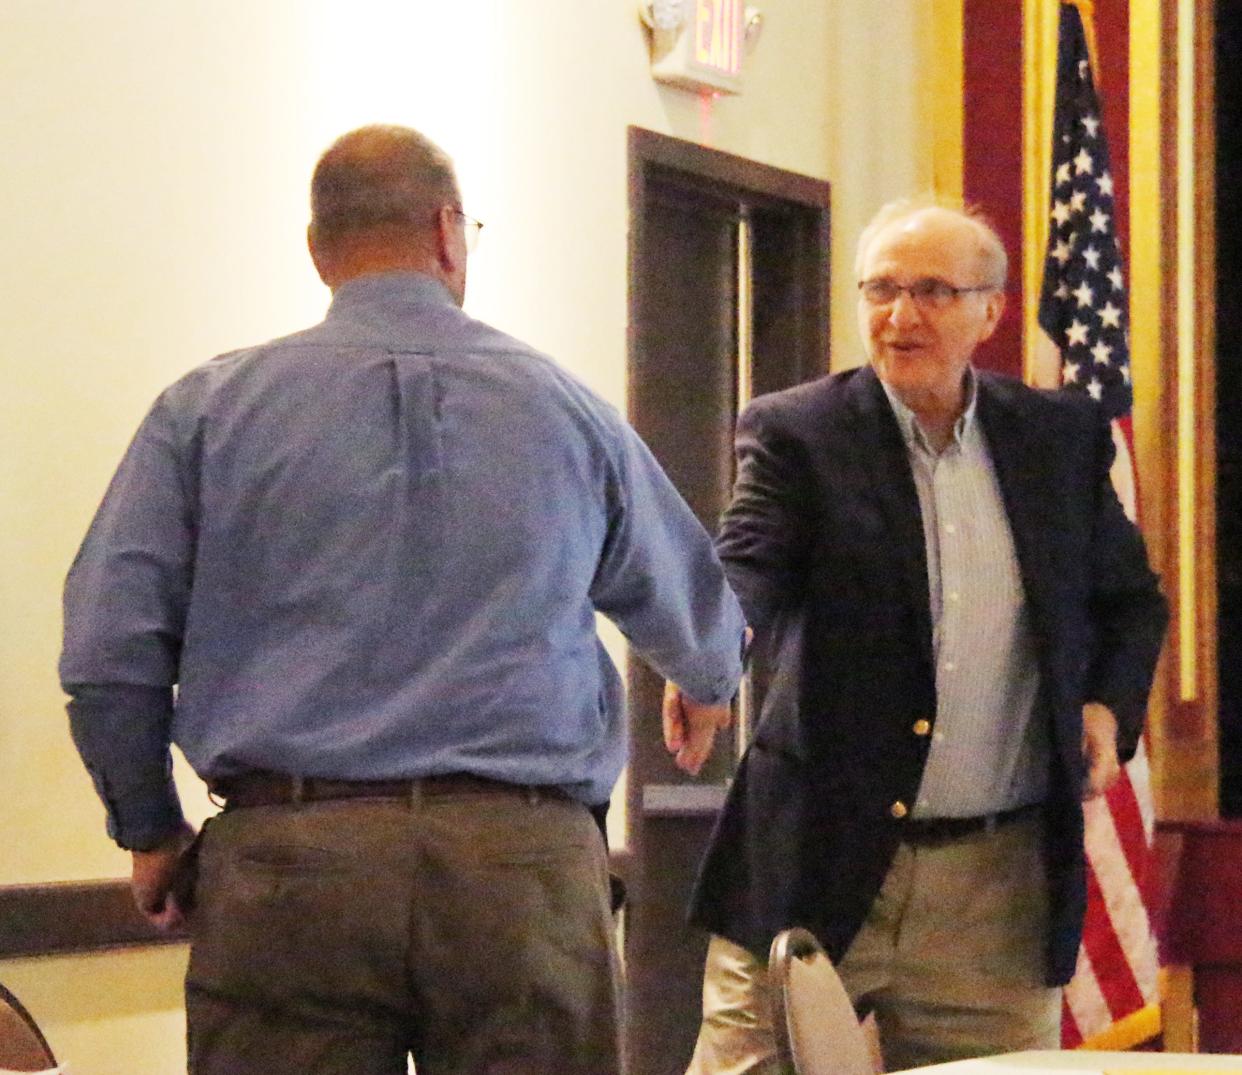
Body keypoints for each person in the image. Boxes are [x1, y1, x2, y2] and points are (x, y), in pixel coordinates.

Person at [60, 124, 746, 1075]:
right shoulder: (565, 408)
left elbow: (109, 657)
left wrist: (148, 828)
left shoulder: (205, 412)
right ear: (449, 232)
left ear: (318, 250)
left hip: (290, 873)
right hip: (523, 873)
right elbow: (694, 605)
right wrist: (704, 680)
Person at [675, 198, 1168, 1072]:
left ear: (991, 310)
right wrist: (710, 662)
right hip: (815, 860)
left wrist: (1104, 709)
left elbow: (1130, 603)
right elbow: (747, 566)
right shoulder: (801, 432)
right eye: (882, 289)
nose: (900, 316)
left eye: (933, 291)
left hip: (995, 889)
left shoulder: (1056, 438)